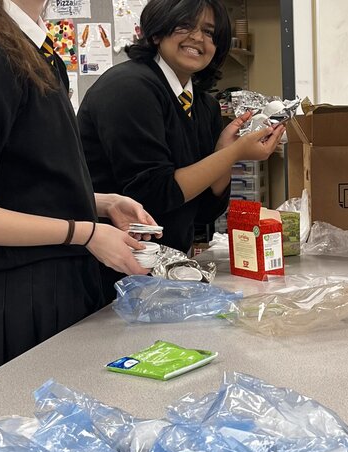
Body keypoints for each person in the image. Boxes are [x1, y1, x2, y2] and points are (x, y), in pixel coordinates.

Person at [0, 0, 157, 389]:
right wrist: (87, 232)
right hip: (23, 302)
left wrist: (101, 202)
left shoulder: (32, 49)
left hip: (63, 289)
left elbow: (20, 184)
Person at [78, 0, 285, 301]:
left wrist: (223, 152)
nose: (198, 38)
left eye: (210, 32)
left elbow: (203, 212)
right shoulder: (129, 88)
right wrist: (233, 153)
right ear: (157, 32)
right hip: (108, 275)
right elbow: (153, 195)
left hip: (163, 276)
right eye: (185, 25)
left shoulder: (204, 105)